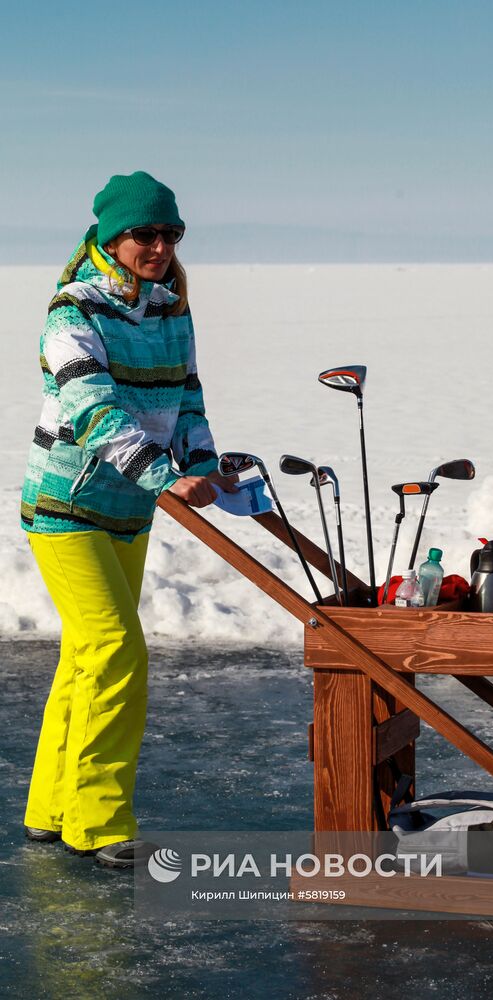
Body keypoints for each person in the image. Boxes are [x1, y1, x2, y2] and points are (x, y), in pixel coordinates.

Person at [19, 171, 236, 868]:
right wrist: (166, 479)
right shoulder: (71, 311)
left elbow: (187, 397)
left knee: (87, 656)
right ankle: (99, 821)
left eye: (170, 234)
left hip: (129, 509)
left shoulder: (172, 309)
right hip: (66, 508)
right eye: (146, 233)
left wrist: (201, 461)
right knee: (116, 649)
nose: (159, 245)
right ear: (113, 237)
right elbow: (94, 411)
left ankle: (50, 810)